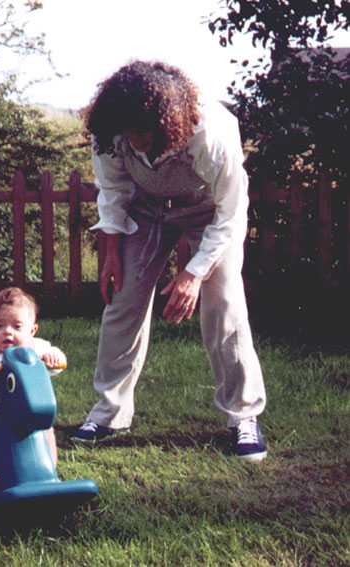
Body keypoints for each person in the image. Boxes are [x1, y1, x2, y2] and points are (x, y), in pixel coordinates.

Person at [72, 60, 267, 461]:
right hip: (147, 208)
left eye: (144, 131)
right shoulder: (111, 131)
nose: (137, 140)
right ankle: (110, 412)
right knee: (122, 299)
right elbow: (112, 190)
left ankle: (242, 417)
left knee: (224, 301)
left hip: (208, 209)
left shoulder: (211, 131)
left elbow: (231, 214)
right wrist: (110, 253)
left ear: (168, 119)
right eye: (129, 132)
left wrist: (194, 274)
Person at [0, 287, 67, 486]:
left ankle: (49, 471)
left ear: (32, 330)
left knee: (45, 428)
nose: (7, 332)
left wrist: (53, 359)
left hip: (22, 410)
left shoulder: (36, 348)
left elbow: (58, 361)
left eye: (17, 327)